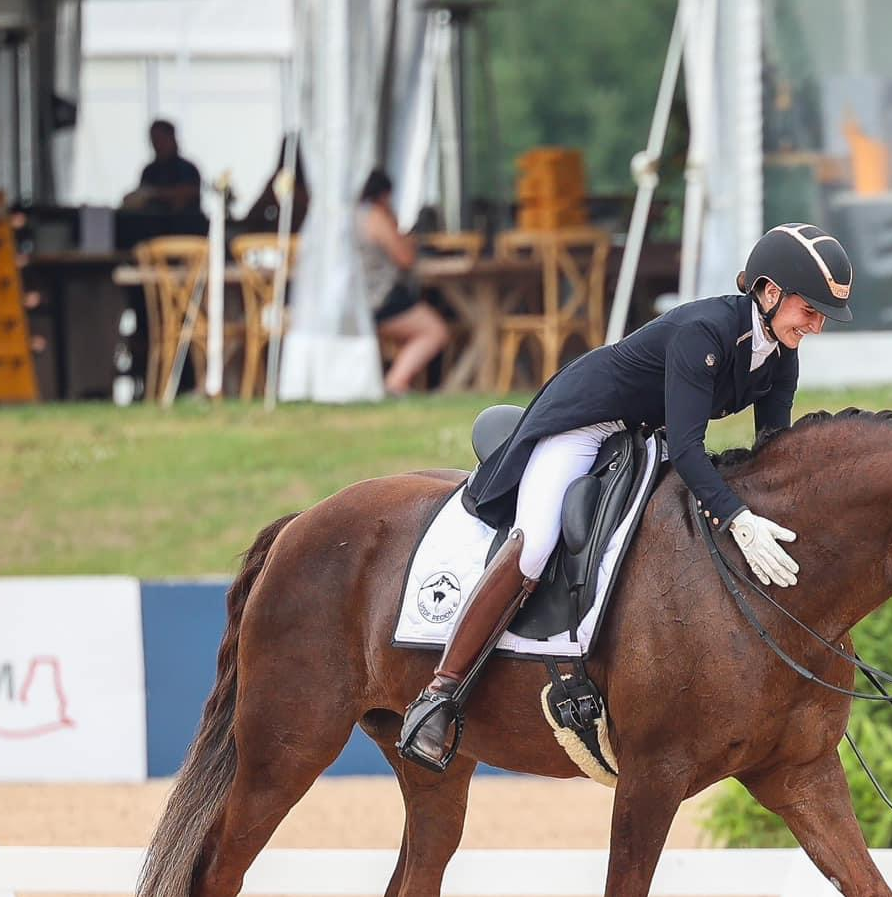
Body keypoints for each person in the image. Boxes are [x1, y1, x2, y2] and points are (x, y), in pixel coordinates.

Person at [398, 222, 855, 771]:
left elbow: (772, 450)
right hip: (585, 424)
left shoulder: (781, 354)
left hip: (640, 438)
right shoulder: (705, 333)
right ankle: (439, 694)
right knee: (537, 543)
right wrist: (736, 516)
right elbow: (688, 448)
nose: (817, 325)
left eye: (823, 315)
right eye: (810, 310)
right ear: (771, 291)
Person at [357, 169, 450, 396]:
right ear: (384, 194)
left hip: (356, 299)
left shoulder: (345, 217)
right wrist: (402, 232)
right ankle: (396, 381)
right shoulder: (375, 217)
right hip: (378, 299)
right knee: (435, 330)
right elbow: (405, 259)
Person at [121, 119, 203, 225]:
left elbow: (187, 193)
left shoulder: (186, 168)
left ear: (172, 138)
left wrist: (154, 194)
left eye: (161, 139)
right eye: (154, 140)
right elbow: (141, 198)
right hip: (153, 226)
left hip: (183, 226)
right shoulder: (149, 170)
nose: (157, 144)